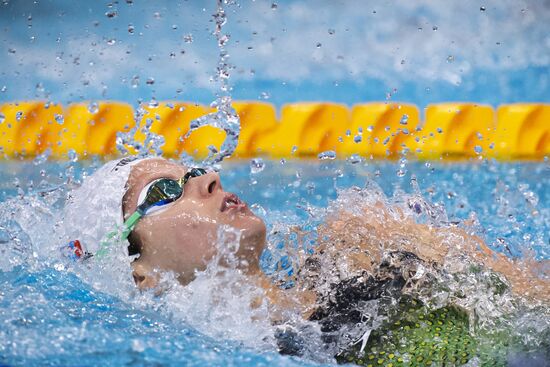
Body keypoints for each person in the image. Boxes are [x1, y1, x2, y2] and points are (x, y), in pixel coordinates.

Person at [62, 156, 549, 364]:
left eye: (192, 169)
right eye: (166, 190)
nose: (207, 178)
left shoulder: (358, 251)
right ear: (139, 272)